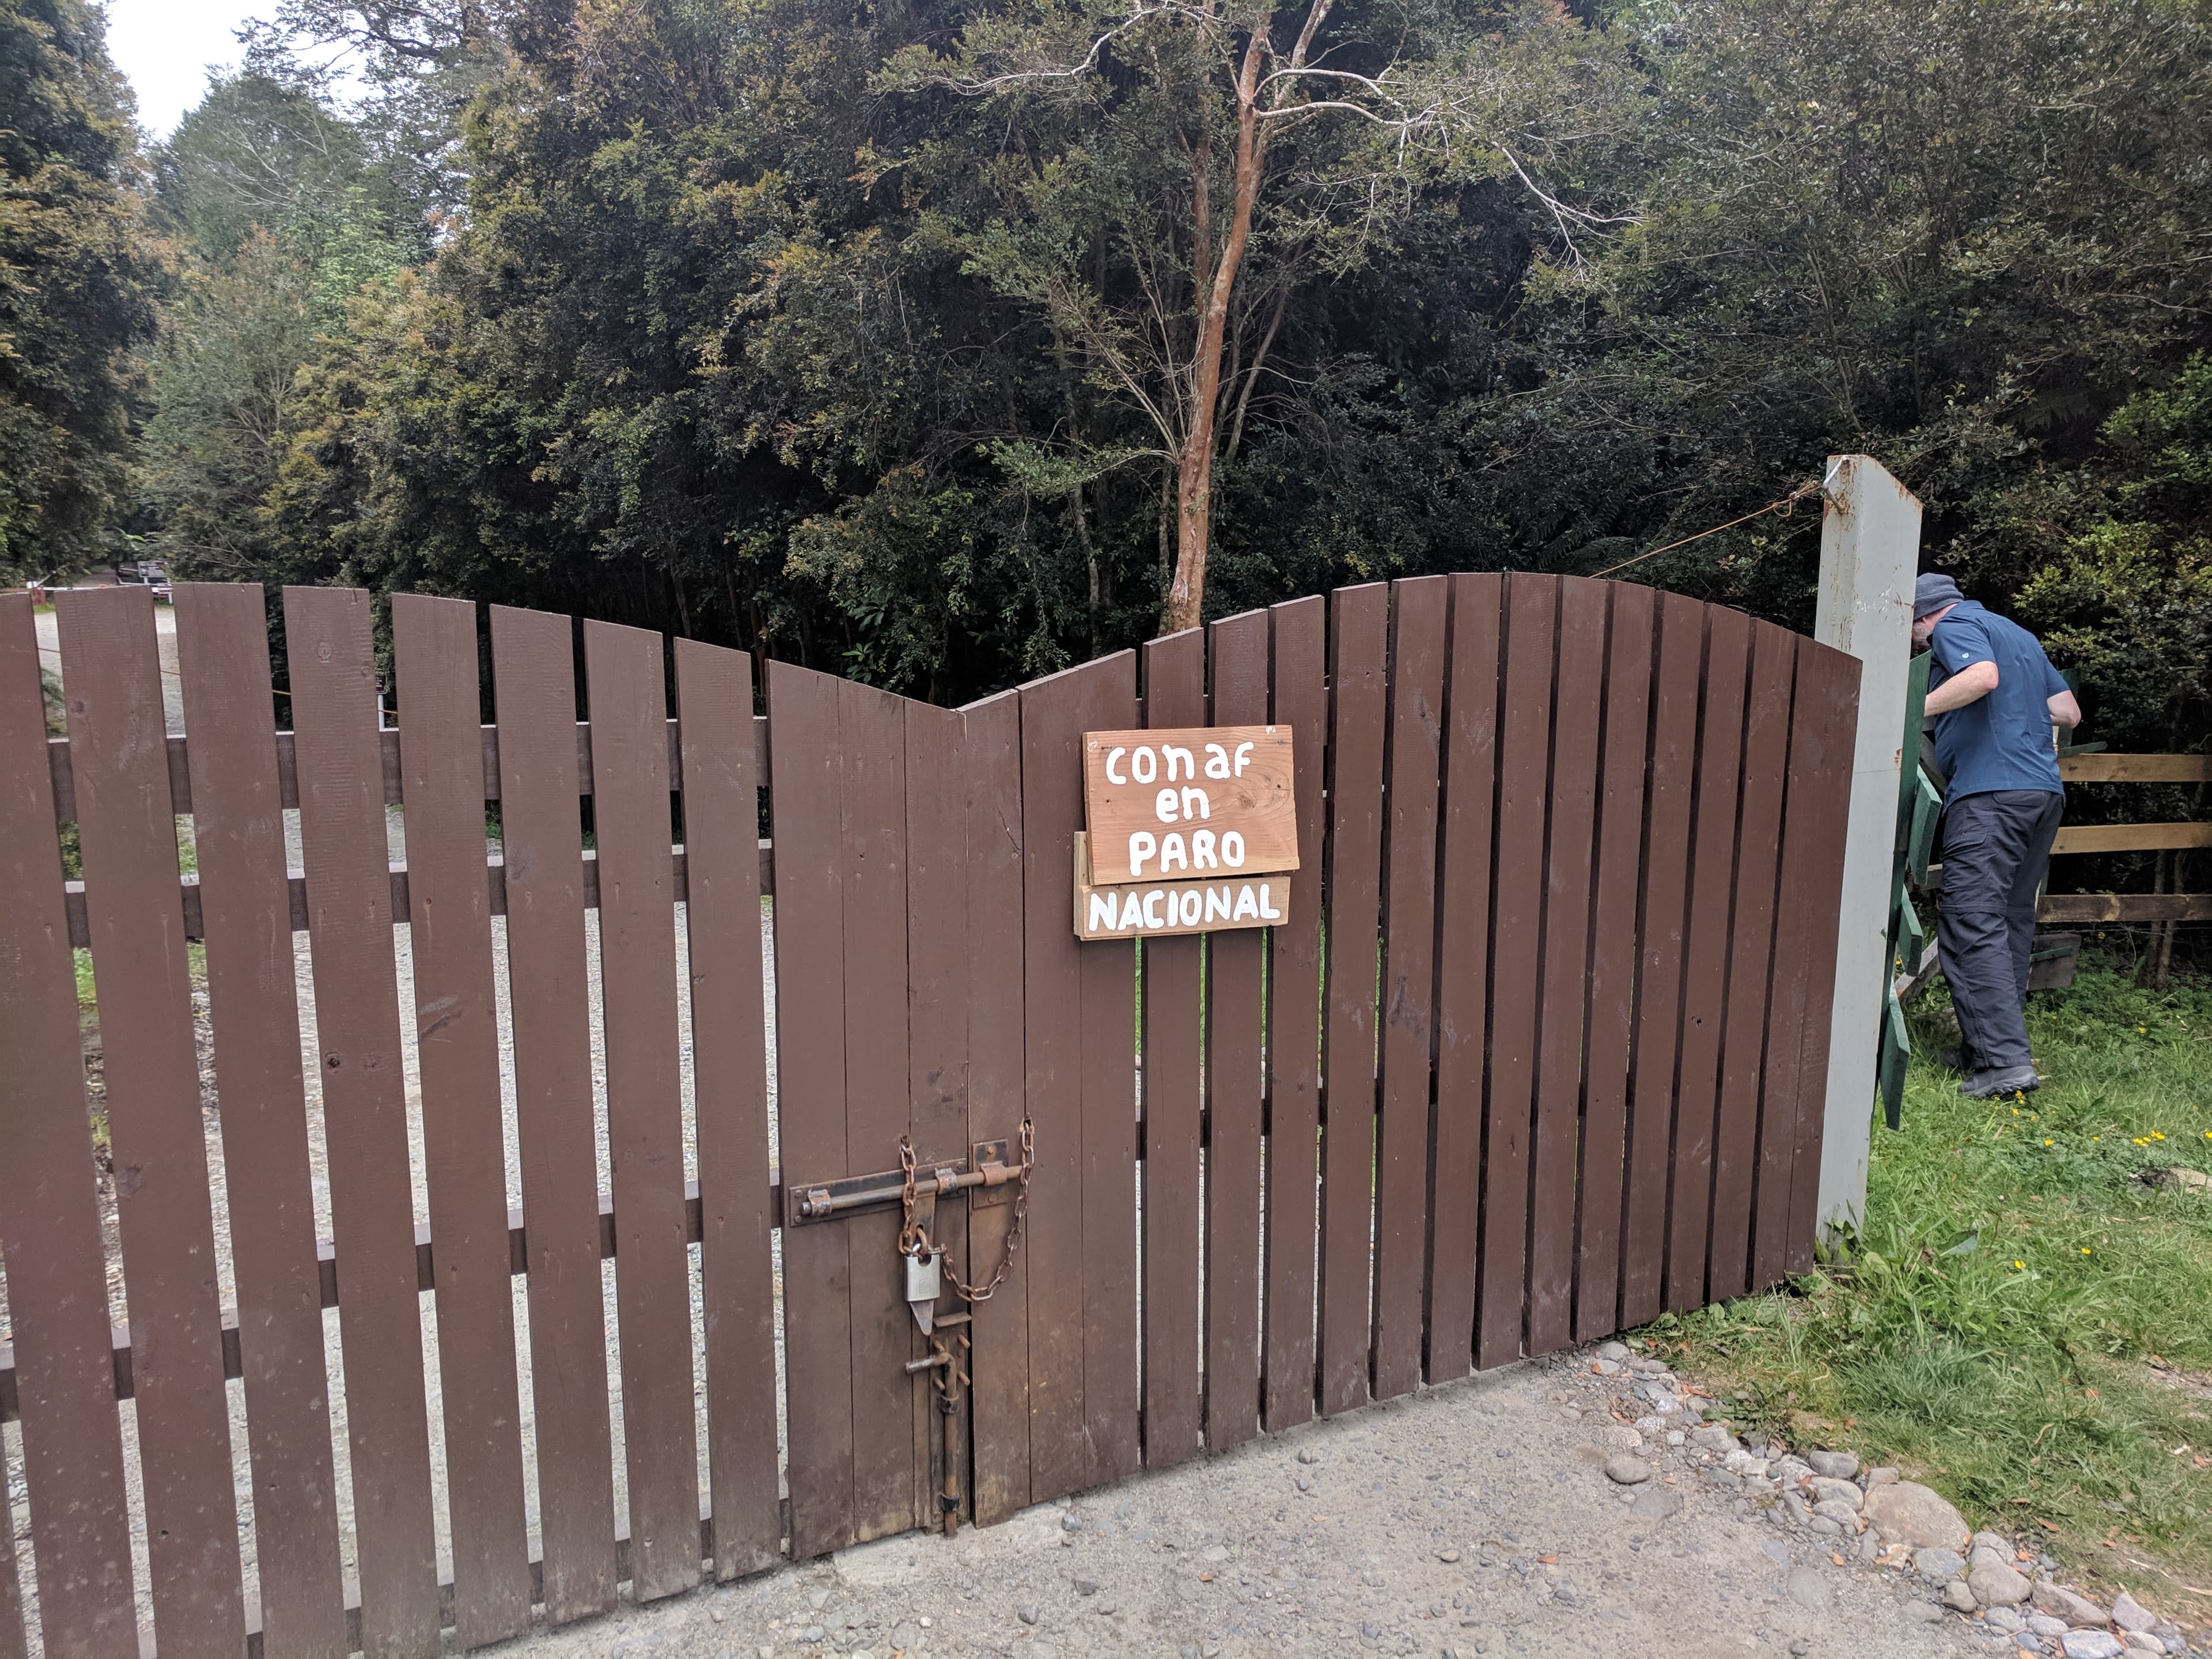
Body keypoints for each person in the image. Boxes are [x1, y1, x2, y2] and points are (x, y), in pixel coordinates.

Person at [1912, 573, 2082, 1098]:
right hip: (2041, 794)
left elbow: (1983, 677)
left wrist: (1908, 708)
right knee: (2008, 920)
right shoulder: (2017, 634)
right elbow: (2068, 711)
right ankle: (1985, 1046)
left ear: (1924, 617)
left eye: (1912, 630)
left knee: (1971, 918)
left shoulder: (1952, 627)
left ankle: (2005, 1063)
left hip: (1991, 794)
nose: (1917, 641)